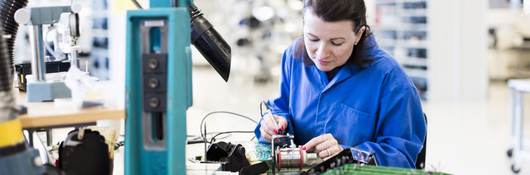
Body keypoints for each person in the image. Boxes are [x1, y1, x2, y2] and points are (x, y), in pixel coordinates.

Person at [254, 0, 427, 168]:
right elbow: (282, 107)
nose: (322, 53)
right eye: (312, 39)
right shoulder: (293, 57)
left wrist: (348, 155)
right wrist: (276, 125)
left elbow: (402, 157)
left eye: (336, 42)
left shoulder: (391, 80)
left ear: (358, 35)